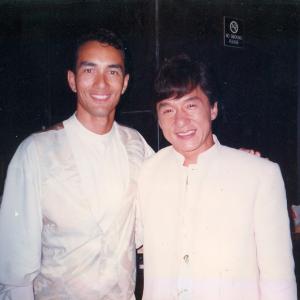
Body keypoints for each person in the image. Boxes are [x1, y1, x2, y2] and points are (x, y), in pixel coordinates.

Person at [0, 29, 154, 299]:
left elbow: (178, 185)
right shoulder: (36, 152)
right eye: (89, 70)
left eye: (113, 72)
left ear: (126, 83)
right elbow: (14, 269)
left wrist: (232, 162)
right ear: (72, 80)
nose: (102, 83)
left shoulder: (136, 145)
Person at [137, 54, 297, 300]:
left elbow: (278, 280)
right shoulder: (147, 171)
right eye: (168, 110)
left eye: (191, 105)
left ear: (213, 109)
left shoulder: (259, 174)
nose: (180, 121)